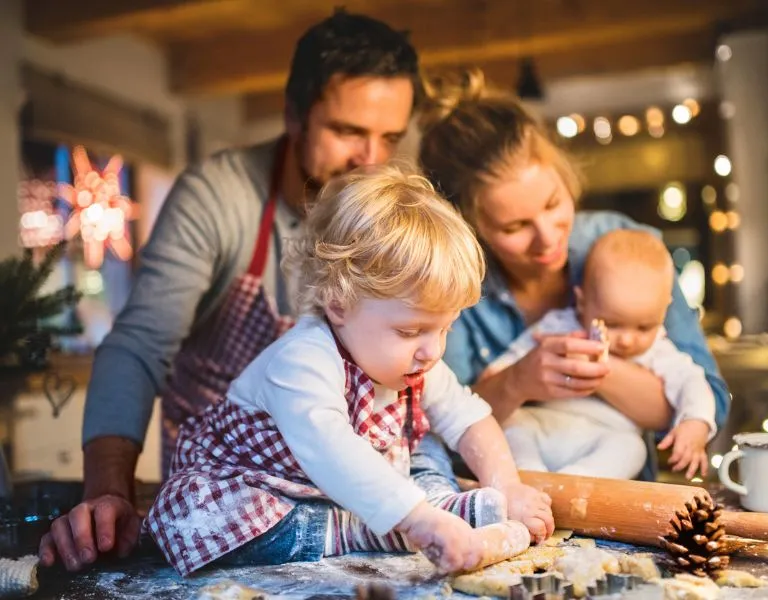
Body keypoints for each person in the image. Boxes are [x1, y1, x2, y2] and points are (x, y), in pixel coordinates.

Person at [40, 11, 422, 571]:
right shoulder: (217, 197)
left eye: (388, 137)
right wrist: (107, 492)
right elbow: (139, 346)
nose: (371, 159)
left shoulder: (385, 215)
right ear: (294, 115)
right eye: (348, 131)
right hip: (225, 515)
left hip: (350, 512)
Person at [145, 164, 555, 576]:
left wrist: (507, 486)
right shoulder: (303, 359)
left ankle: (437, 507)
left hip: (348, 491)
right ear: (339, 304)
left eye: (445, 327)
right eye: (411, 330)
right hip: (251, 489)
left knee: (427, 448)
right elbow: (332, 450)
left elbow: (469, 419)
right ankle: (373, 529)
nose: (432, 350)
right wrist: (415, 519)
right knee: (202, 524)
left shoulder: (416, 358)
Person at [416, 70, 730, 480]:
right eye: (514, 227)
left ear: (565, 178)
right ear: (469, 228)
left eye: (553, 203)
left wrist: (594, 366)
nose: (547, 239)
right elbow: (434, 427)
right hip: (511, 486)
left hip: (619, 488)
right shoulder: (452, 281)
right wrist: (517, 382)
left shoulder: (627, 246)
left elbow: (712, 403)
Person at [484, 230, 716, 480]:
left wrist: (696, 422)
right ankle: (530, 475)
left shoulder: (658, 350)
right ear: (582, 303)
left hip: (605, 437)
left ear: (664, 312)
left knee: (633, 449)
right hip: (542, 423)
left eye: (644, 327)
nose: (627, 340)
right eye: (612, 324)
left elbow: (693, 382)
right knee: (511, 426)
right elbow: (513, 363)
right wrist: (502, 371)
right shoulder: (557, 327)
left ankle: (576, 481)